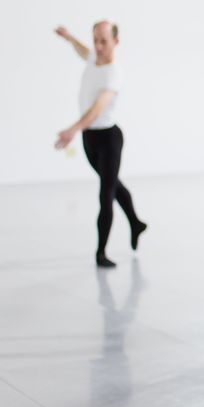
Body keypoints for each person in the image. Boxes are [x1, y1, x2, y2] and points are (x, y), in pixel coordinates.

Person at [54, 21, 147, 268]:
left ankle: (101, 253)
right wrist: (69, 37)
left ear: (116, 41)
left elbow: (97, 109)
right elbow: (83, 51)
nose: (98, 45)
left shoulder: (114, 73)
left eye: (104, 41)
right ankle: (136, 223)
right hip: (90, 139)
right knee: (113, 183)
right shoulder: (94, 56)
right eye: (95, 39)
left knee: (105, 194)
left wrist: (73, 129)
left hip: (109, 140)